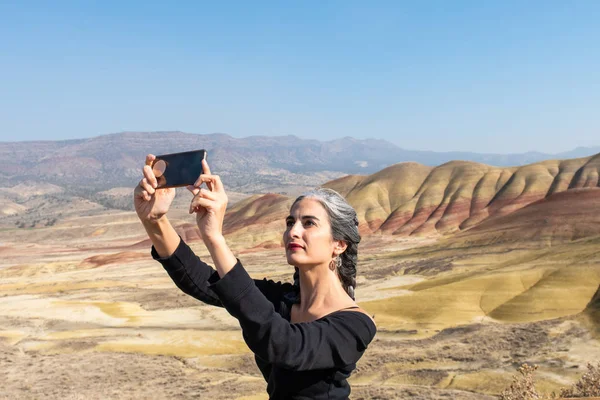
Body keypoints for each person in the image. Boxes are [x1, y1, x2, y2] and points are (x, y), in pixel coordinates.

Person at [134, 154, 377, 400]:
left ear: (339, 244)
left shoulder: (355, 325)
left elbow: (282, 345)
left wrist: (215, 239)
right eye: (290, 222)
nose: (293, 231)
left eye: (309, 223)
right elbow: (202, 282)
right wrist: (155, 221)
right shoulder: (281, 300)